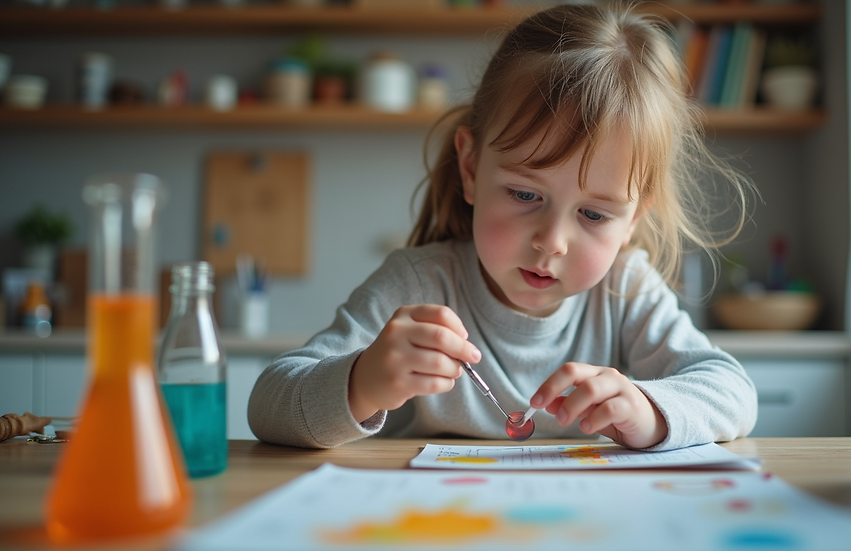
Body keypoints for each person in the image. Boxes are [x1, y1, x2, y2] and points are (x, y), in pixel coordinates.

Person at [248, 2, 757, 451]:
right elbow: (269, 402)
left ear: (632, 221)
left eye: (595, 214)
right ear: (471, 170)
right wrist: (361, 382)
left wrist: (649, 409)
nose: (551, 241)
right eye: (525, 194)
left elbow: (732, 391)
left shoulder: (627, 291)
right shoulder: (420, 284)